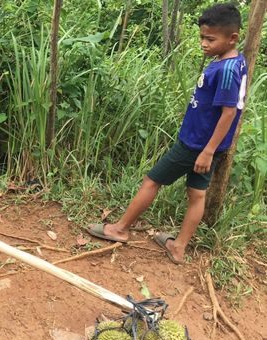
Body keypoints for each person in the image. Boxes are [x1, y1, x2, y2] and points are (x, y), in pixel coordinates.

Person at [87, 3, 247, 264]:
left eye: (210, 39)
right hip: (208, 146)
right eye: (201, 38)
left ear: (232, 38)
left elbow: (229, 113)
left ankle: (120, 229)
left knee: (152, 181)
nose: (203, 44)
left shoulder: (226, 70)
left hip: (196, 145)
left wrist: (206, 151)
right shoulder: (234, 61)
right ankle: (178, 247)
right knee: (197, 194)